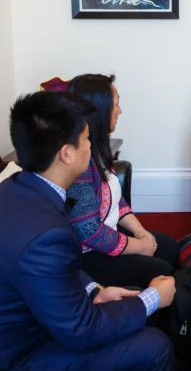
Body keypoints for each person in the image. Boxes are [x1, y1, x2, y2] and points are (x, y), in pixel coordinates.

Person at [0, 91, 176, 371]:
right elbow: (82, 330)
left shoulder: (17, 189)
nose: (91, 146)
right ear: (66, 153)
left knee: (127, 297)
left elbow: (51, 273)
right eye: (87, 139)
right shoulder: (44, 233)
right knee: (154, 347)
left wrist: (95, 290)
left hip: (15, 336)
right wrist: (153, 298)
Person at [66, 74, 180, 290]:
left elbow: (116, 200)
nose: (120, 110)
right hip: (87, 255)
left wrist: (140, 232)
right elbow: (89, 232)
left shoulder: (97, 148)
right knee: (161, 270)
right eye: (116, 104)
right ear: (99, 110)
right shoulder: (78, 162)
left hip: (107, 234)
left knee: (169, 247)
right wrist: (138, 246)